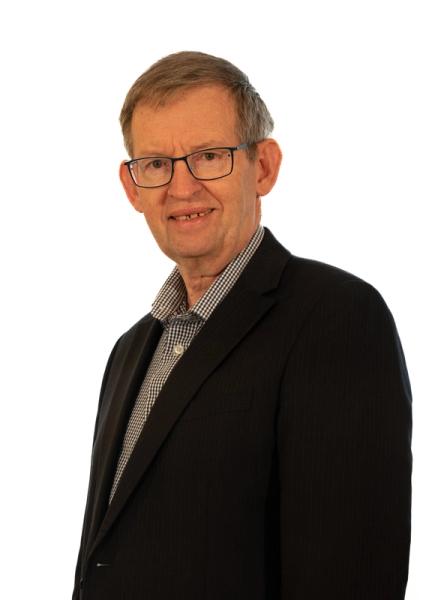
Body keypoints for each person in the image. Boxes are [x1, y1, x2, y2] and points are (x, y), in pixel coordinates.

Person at [72, 51, 412, 600]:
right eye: (156, 164)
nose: (182, 188)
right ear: (132, 187)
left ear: (264, 166)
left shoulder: (337, 319)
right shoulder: (129, 350)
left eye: (209, 156)